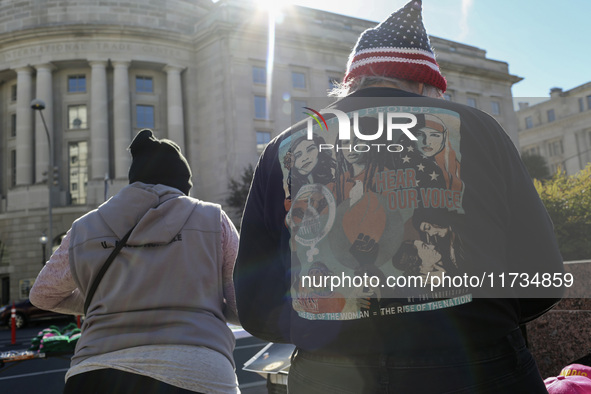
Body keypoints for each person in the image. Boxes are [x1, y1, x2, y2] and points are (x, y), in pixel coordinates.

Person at [233, 1, 564, 392]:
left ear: (352, 82)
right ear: (425, 84)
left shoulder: (283, 148)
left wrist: (322, 328)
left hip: (331, 372)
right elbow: (542, 272)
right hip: (476, 363)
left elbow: (255, 298)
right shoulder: (480, 129)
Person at [30, 129, 240, 393]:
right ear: (183, 184)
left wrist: (113, 298)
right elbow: (242, 306)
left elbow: (42, 295)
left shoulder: (84, 227)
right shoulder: (213, 219)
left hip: (95, 372)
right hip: (196, 369)